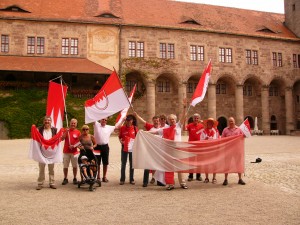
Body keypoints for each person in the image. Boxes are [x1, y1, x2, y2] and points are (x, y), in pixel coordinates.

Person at [150, 112, 188, 190]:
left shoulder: (178, 126)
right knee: (169, 167)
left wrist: (184, 108)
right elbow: (155, 132)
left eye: (173, 119)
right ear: (168, 121)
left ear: (175, 120)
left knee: (179, 167)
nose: (172, 121)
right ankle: (170, 183)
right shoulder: (165, 129)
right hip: (169, 150)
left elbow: (183, 117)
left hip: (178, 149)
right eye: (170, 120)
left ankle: (183, 183)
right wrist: (143, 132)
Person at [134, 112, 161, 187]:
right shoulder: (150, 127)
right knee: (147, 165)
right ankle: (145, 182)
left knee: (158, 165)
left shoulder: (162, 128)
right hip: (150, 149)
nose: (156, 122)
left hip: (158, 150)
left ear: (159, 121)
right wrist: (137, 115)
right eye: (155, 120)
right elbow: (143, 121)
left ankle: (157, 179)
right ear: (153, 121)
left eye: (157, 120)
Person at [94, 118, 122, 184]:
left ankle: (104, 176)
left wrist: (123, 119)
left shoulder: (109, 127)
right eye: (103, 119)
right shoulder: (96, 124)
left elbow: (117, 127)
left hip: (105, 146)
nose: (104, 121)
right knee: (97, 162)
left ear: (107, 121)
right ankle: (98, 176)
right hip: (97, 147)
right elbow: (93, 117)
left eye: (105, 120)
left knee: (105, 162)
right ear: (100, 120)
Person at [221, 117, 246, 186]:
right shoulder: (225, 130)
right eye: (230, 121)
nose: (231, 122)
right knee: (227, 165)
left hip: (237, 150)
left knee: (238, 163)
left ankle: (240, 179)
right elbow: (222, 139)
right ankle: (225, 179)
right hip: (228, 150)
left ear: (234, 122)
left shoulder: (239, 129)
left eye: (232, 121)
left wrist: (245, 135)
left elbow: (243, 137)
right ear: (228, 122)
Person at [36, 116, 57, 190]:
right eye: (45, 120)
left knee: (51, 169)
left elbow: (58, 139)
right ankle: (40, 183)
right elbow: (34, 137)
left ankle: (52, 182)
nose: (47, 121)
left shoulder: (54, 130)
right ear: (43, 122)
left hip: (51, 153)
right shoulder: (39, 129)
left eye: (48, 120)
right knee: (41, 168)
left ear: (51, 121)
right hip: (42, 152)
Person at [119, 115, 139, 185]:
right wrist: (121, 141)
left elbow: (138, 138)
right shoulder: (122, 128)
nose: (128, 122)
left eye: (130, 120)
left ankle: (131, 179)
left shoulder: (135, 128)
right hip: (124, 147)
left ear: (132, 121)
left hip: (132, 148)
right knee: (123, 164)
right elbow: (120, 137)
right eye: (127, 120)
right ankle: (122, 179)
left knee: (132, 164)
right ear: (126, 121)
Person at [199, 117, 220, 184]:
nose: (210, 124)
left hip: (214, 149)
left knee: (214, 164)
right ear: (207, 124)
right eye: (208, 123)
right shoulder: (203, 131)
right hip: (206, 150)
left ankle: (214, 178)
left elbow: (219, 139)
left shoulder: (216, 131)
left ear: (213, 124)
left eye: (211, 123)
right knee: (206, 164)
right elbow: (200, 140)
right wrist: (205, 139)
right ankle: (207, 177)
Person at [61, 118, 81, 185]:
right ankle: (65, 178)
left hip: (74, 151)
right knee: (65, 166)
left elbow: (79, 142)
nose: (73, 124)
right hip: (66, 151)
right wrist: (66, 132)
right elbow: (62, 138)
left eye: (74, 123)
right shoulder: (66, 130)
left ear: (76, 124)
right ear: (69, 123)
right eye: (72, 123)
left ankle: (75, 178)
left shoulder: (78, 132)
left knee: (75, 166)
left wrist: (73, 146)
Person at [186, 113, 204, 182]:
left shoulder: (202, 126)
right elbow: (184, 128)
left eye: (197, 118)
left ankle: (198, 176)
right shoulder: (190, 125)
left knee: (199, 161)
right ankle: (190, 176)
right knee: (191, 161)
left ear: (199, 119)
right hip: (191, 146)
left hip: (199, 146)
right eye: (195, 118)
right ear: (193, 119)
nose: (196, 119)